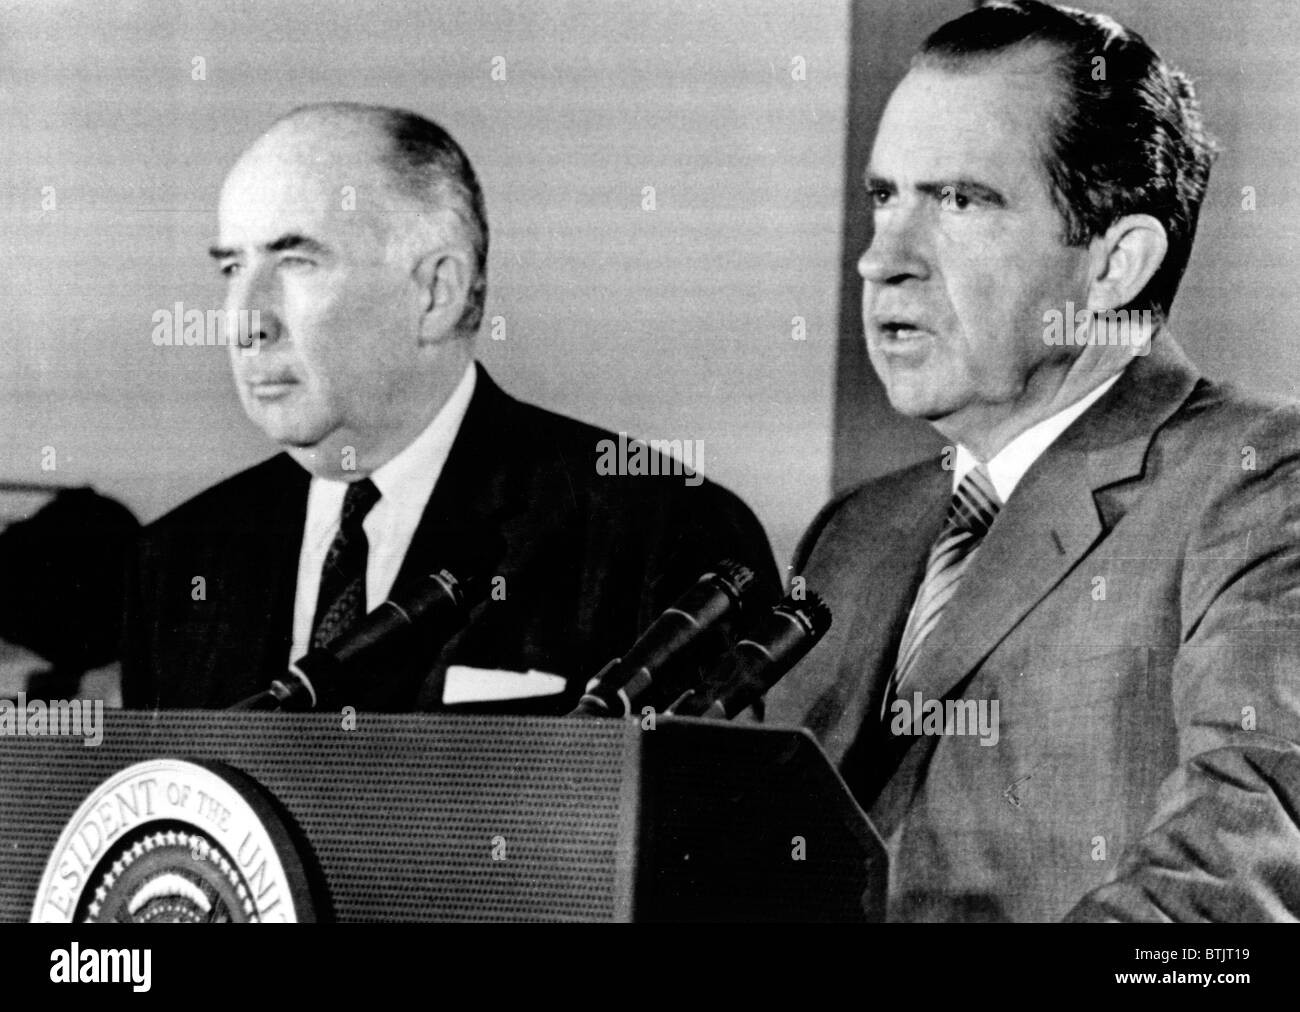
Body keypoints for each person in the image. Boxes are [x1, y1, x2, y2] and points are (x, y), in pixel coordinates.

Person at [766, 0, 1300, 921]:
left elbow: (1236, 889)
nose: (881, 261)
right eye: (885, 197)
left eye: (961, 201)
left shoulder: (1258, 481)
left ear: (1115, 266)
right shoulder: (855, 534)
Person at [122, 102, 778, 715]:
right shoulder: (179, 560)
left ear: (437, 293)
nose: (245, 321)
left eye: (297, 262)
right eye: (232, 269)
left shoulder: (664, 534)